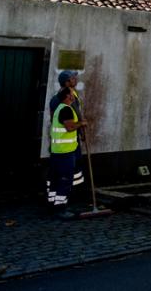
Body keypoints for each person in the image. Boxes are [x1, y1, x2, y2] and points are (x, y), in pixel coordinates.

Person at [49, 87, 88, 219]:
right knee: (65, 180)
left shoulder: (59, 108)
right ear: (67, 97)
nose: (74, 96)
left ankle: (53, 205)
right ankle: (61, 209)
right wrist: (81, 123)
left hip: (57, 151)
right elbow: (70, 127)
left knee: (55, 180)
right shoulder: (66, 110)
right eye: (72, 94)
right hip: (65, 152)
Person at [46, 71, 84, 204]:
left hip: (67, 143)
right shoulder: (61, 101)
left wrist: (80, 132)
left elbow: (76, 115)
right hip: (65, 146)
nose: (76, 79)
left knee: (70, 171)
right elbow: (67, 123)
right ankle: (62, 200)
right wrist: (81, 125)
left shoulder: (71, 96)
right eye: (73, 78)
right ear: (67, 82)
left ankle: (61, 196)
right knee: (64, 174)